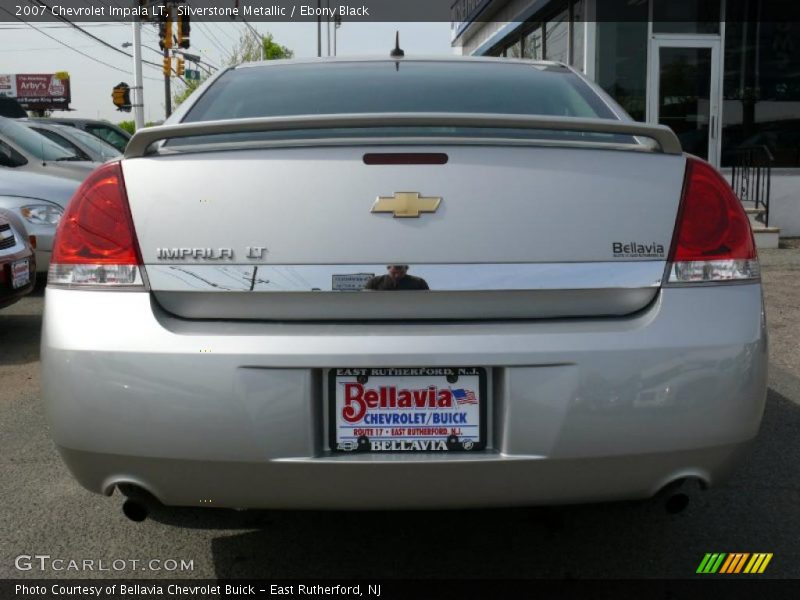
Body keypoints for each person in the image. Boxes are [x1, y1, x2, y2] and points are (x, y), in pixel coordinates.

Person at [363, 265, 429, 291]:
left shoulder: (419, 282)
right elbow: (366, 298)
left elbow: (427, 299)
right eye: (394, 273)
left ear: (407, 269)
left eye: (401, 273)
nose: (397, 275)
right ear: (388, 268)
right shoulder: (374, 281)